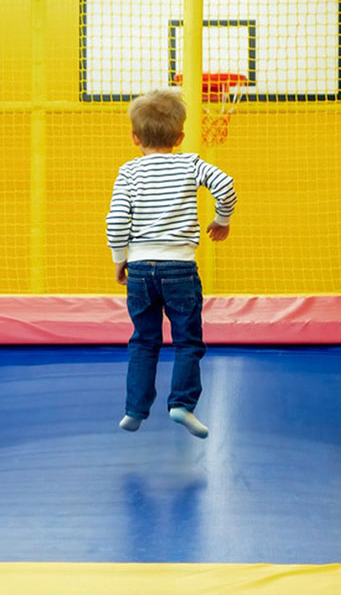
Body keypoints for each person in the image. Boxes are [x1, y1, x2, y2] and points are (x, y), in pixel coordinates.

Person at [106, 89, 236, 439]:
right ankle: (181, 404)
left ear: (135, 137)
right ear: (179, 137)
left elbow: (116, 220)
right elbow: (226, 185)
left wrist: (121, 259)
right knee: (187, 341)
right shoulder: (190, 163)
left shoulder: (128, 172)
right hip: (179, 268)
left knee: (144, 341)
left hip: (141, 269)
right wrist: (221, 220)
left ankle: (134, 409)